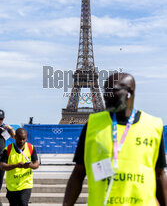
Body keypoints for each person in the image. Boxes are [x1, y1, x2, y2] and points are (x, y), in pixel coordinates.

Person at [63, 72, 167, 206]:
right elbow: (78, 172)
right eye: (105, 90)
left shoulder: (153, 126)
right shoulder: (92, 125)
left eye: (113, 90)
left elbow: (159, 174)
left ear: (129, 92)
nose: (106, 95)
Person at [0, 128, 39, 206]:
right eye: (19, 139)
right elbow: (2, 166)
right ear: (15, 137)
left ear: (26, 138)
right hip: (12, 186)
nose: (21, 141)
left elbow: (36, 164)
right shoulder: (7, 150)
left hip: (26, 184)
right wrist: (16, 165)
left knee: (23, 203)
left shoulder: (31, 148)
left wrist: (30, 165)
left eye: (23, 139)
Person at [0, 109, 15, 191]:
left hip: (1, 158)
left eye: (1, 119)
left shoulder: (4, 128)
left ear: (4, 118)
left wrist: (11, 128)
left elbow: (15, 137)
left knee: (0, 179)